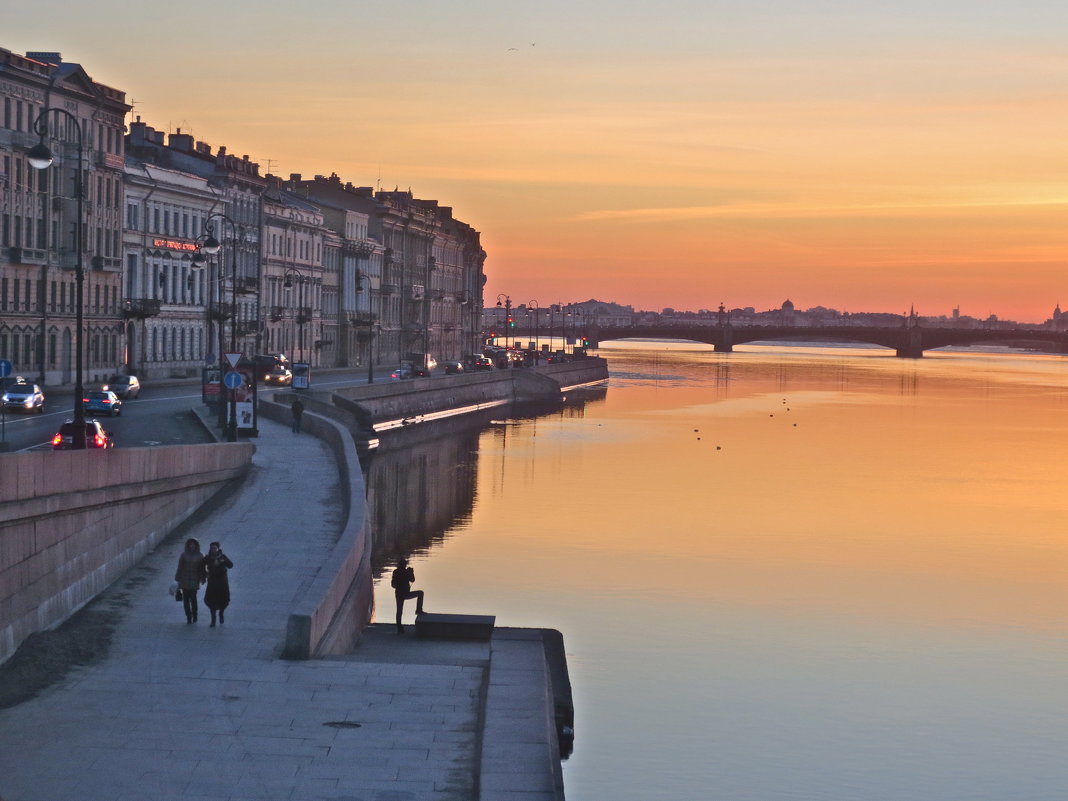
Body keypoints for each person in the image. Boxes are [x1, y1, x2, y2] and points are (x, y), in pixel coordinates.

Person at [202, 541, 234, 627]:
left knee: (223, 598)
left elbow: (231, 565)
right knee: (211, 599)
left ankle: (221, 613)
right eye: (212, 548)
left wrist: (224, 560)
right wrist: (205, 574)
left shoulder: (222, 556)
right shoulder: (208, 558)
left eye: (215, 548)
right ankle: (213, 619)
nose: (213, 550)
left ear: (218, 549)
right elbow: (201, 566)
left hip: (222, 582)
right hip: (212, 582)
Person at [174, 538, 206, 624]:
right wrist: (177, 579)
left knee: (193, 599)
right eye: (190, 544)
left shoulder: (200, 555)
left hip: (194, 580)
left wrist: (203, 578)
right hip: (184, 579)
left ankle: (195, 615)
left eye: (193, 544)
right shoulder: (184, 555)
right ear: (188, 545)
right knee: (186, 600)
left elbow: (203, 569)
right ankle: (188, 616)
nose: (192, 545)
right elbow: (180, 567)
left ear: (196, 545)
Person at [391, 558, 426, 634]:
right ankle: (418, 610)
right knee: (420, 593)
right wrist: (411, 572)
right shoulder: (406, 572)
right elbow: (412, 580)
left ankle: (399, 627)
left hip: (398, 594)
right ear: (404, 565)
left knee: (399, 611)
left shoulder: (395, 572)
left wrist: (398, 586)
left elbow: (393, 585)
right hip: (406, 594)